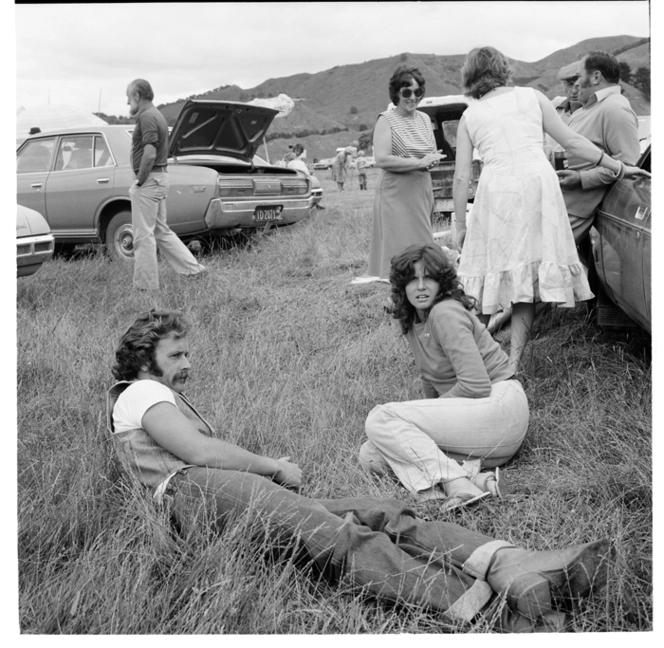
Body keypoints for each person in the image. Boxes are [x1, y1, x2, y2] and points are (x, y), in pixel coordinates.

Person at [107, 309, 611, 632]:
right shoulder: (142, 392)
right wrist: (274, 469)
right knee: (335, 535)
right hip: (194, 491)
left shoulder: (155, 393)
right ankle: (491, 610)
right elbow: (201, 453)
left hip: (220, 494)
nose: (187, 362)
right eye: (176, 354)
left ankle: (510, 563)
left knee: (380, 509)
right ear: (144, 362)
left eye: (187, 352)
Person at [452, 47, 649, 373]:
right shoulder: (533, 97)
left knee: (486, 274)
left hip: (497, 189)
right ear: (503, 68)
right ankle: (512, 364)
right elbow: (572, 141)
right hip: (537, 187)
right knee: (527, 279)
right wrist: (619, 168)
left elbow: (461, 177)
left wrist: (460, 223)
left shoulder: (470, 115)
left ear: (470, 76)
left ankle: (470, 357)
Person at [359, 245, 528, 509]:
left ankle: (457, 485)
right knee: (371, 455)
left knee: (381, 418)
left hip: (501, 408)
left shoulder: (444, 313)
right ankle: (478, 482)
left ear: (442, 283)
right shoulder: (414, 320)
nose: (422, 286)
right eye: (413, 279)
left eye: (430, 278)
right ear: (402, 285)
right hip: (481, 431)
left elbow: (476, 385)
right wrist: (426, 420)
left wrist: (423, 418)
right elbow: (430, 378)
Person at [364, 66, 445, 282]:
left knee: (422, 243)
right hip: (396, 192)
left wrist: (431, 161)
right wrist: (418, 162)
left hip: (421, 188)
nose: (413, 97)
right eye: (407, 92)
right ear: (396, 94)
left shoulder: (425, 119)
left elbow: (430, 153)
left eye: (418, 92)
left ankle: (421, 289)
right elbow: (382, 159)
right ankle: (398, 297)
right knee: (397, 246)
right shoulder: (386, 120)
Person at [126, 79, 206, 291]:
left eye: (128, 97)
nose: (127, 103)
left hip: (150, 180)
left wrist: (140, 180)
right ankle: (193, 270)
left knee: (143, 236)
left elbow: (150, 153)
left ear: (136, 96)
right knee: (161, 231)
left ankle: (146, 287)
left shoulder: (146, 117)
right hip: (160, 177)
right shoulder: (156, 115)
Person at [557, 51, 641, 249]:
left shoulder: (615, 109)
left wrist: (581, 179)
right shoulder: (589, 107)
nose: (575, 84)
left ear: (595, 77)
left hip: (573, 210)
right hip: (559, 203)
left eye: (579, 76)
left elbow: (628, 164)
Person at [543, 61, 583, 165]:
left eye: (579, 85)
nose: (574, 90)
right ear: (564, 86)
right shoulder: (556, 104)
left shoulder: (595, 113)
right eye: (570, 84)